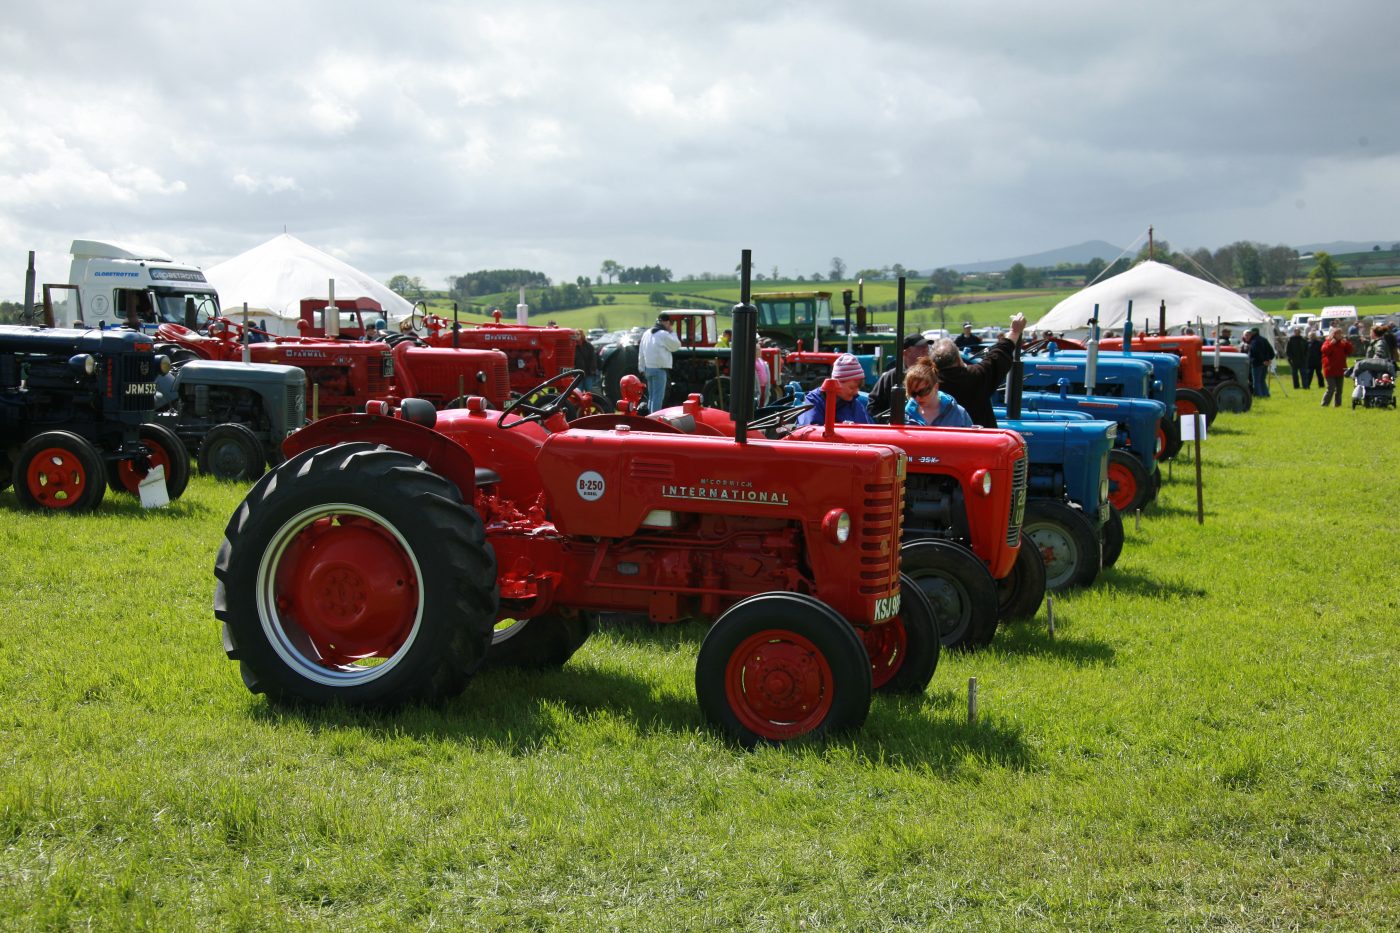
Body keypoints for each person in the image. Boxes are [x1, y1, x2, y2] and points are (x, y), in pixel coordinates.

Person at [930, 312, 1028, 428]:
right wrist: (1014, 332)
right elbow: (999, 355)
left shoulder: (927, 384)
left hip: (941, 441)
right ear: (958, 359)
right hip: (980, 441)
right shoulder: (976, 375)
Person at [795, 353, 873, 427]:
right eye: (852, 387)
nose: (856, 392)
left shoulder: (857, 405)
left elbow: (869, 431)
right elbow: (810, 432)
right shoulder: (814, 402)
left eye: (858, 387)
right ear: (836, 382)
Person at [867, 333, 929, 417]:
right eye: (920, 347)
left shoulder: (933, 375)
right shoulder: (889, 377)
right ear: (905, 353)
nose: (925, 349)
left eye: (926, 346)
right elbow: (872, 407)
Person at [903, 360, 973, 427]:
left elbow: (971, 438)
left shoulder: (958, 414)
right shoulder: (904, 416)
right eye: (913, 394)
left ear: (936, 387)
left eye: (922, 392)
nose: (917, 398)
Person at [637, 313, 681, 412]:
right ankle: (654, 421)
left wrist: (641, 368)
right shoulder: (663, 334)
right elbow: (676, 346)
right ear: (666, 322)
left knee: (652, 397)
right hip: (659, 369)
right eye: (671, 323)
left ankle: (649, 419)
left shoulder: (647, 333)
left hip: (648, 368)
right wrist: (672, 332)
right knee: (657, 398)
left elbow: (641, 352)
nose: (671, 326)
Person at [1320, 327, 1353, 407]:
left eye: (1340, 333)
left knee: (1339, 389)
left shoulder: (1342, 343)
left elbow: (1350, 351)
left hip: (1340, 369)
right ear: (1333, 334)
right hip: (1330, 369)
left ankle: (1338, 405)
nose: (1340, 335)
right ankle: (1324, 404)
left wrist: (1347, 343)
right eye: (1338, 333)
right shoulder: (1327, 342)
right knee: (1331, 388)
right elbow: (1325, 351)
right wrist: (1331, 344)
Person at [1246, 327, 1274, 397]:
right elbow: (1271, 351)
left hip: (1257, 363)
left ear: (1254, 333)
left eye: (1251, 332)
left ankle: (1259, 396)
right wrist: (1269, 359)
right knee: (1262, 380)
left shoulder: (1254, 341)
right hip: (1265, 363)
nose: (1250, 334)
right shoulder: (1264, 340)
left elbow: (1257, 353)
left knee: (1256, 381)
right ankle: (1266, 394)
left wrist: (1263, 360)